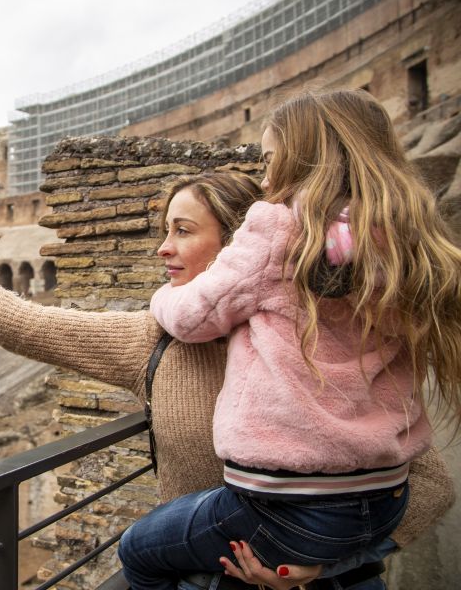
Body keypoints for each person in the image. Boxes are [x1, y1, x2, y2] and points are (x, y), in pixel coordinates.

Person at [0, 167, 454, 589]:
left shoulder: (326, 340)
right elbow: (31, 325)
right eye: (164, 230)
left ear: (240, 249)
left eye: (183, 231)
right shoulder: (156, 338)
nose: (162, 249)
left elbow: (427, 485)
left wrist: (318, 565)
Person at [122, 89, 461, 589]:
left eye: (270, 162)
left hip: (284, 507)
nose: (262, 180)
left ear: (307, 160)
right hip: (384, 501)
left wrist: (160, 299)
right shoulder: (399, 236)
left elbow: (195, 317)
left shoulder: (278, 227)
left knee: (139, 551)